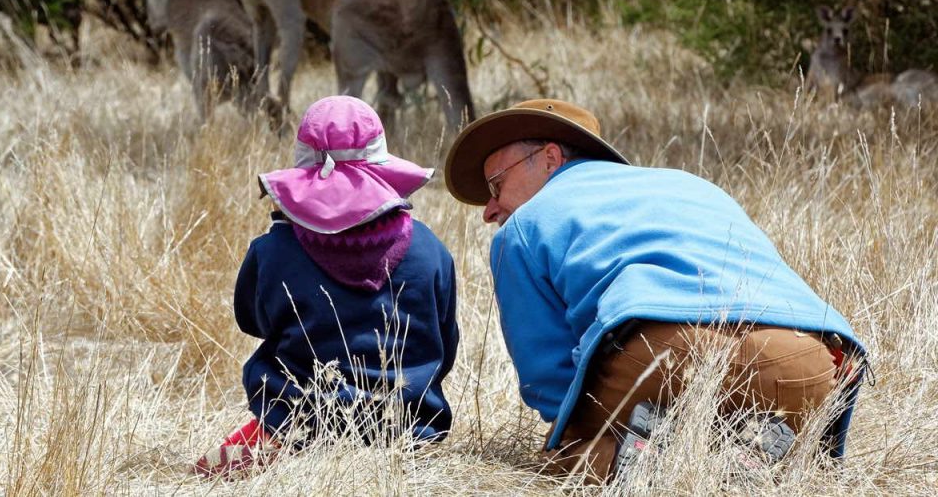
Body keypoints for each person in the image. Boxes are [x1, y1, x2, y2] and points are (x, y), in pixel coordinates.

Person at [443, 98, 867, 482]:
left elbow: (548, 382)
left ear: (550, 158)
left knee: (569, 454)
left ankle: (653, 463)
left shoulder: (523, 226)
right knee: (740, 421)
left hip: (667, 356)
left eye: (496, 185)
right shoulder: (693, 184)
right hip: (807, 357)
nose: (489, 210)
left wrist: (573, 436)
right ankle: (742, 456)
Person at [195, 95, 459, 478]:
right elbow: (444, 346)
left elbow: (253, 322)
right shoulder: (430, 250)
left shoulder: (272, 251)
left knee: (205, 474)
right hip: (410, 433)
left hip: (294, 427)